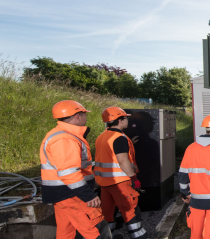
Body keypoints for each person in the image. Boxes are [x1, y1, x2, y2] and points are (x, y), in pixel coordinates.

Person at [39, 100, 111, 239]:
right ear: (77, 116)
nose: (86, 118)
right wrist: (87, 195)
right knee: (97, 230)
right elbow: (69, 173)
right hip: (73, 195)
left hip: (64, 195)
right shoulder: (65, 138)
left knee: (66, 233)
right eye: (85, 115)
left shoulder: (60, 134)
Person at [94, 107, 146, 238]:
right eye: (126, 118)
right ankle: (138, 236)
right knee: (130, 209)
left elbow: (109, 156)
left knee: (108, 211)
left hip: (105, 183)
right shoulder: (119, 138)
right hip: (120, 183)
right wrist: (134, 178)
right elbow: (122, 161)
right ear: (120, 120)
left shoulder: (102, 136)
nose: (127, 120)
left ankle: (108, 235)